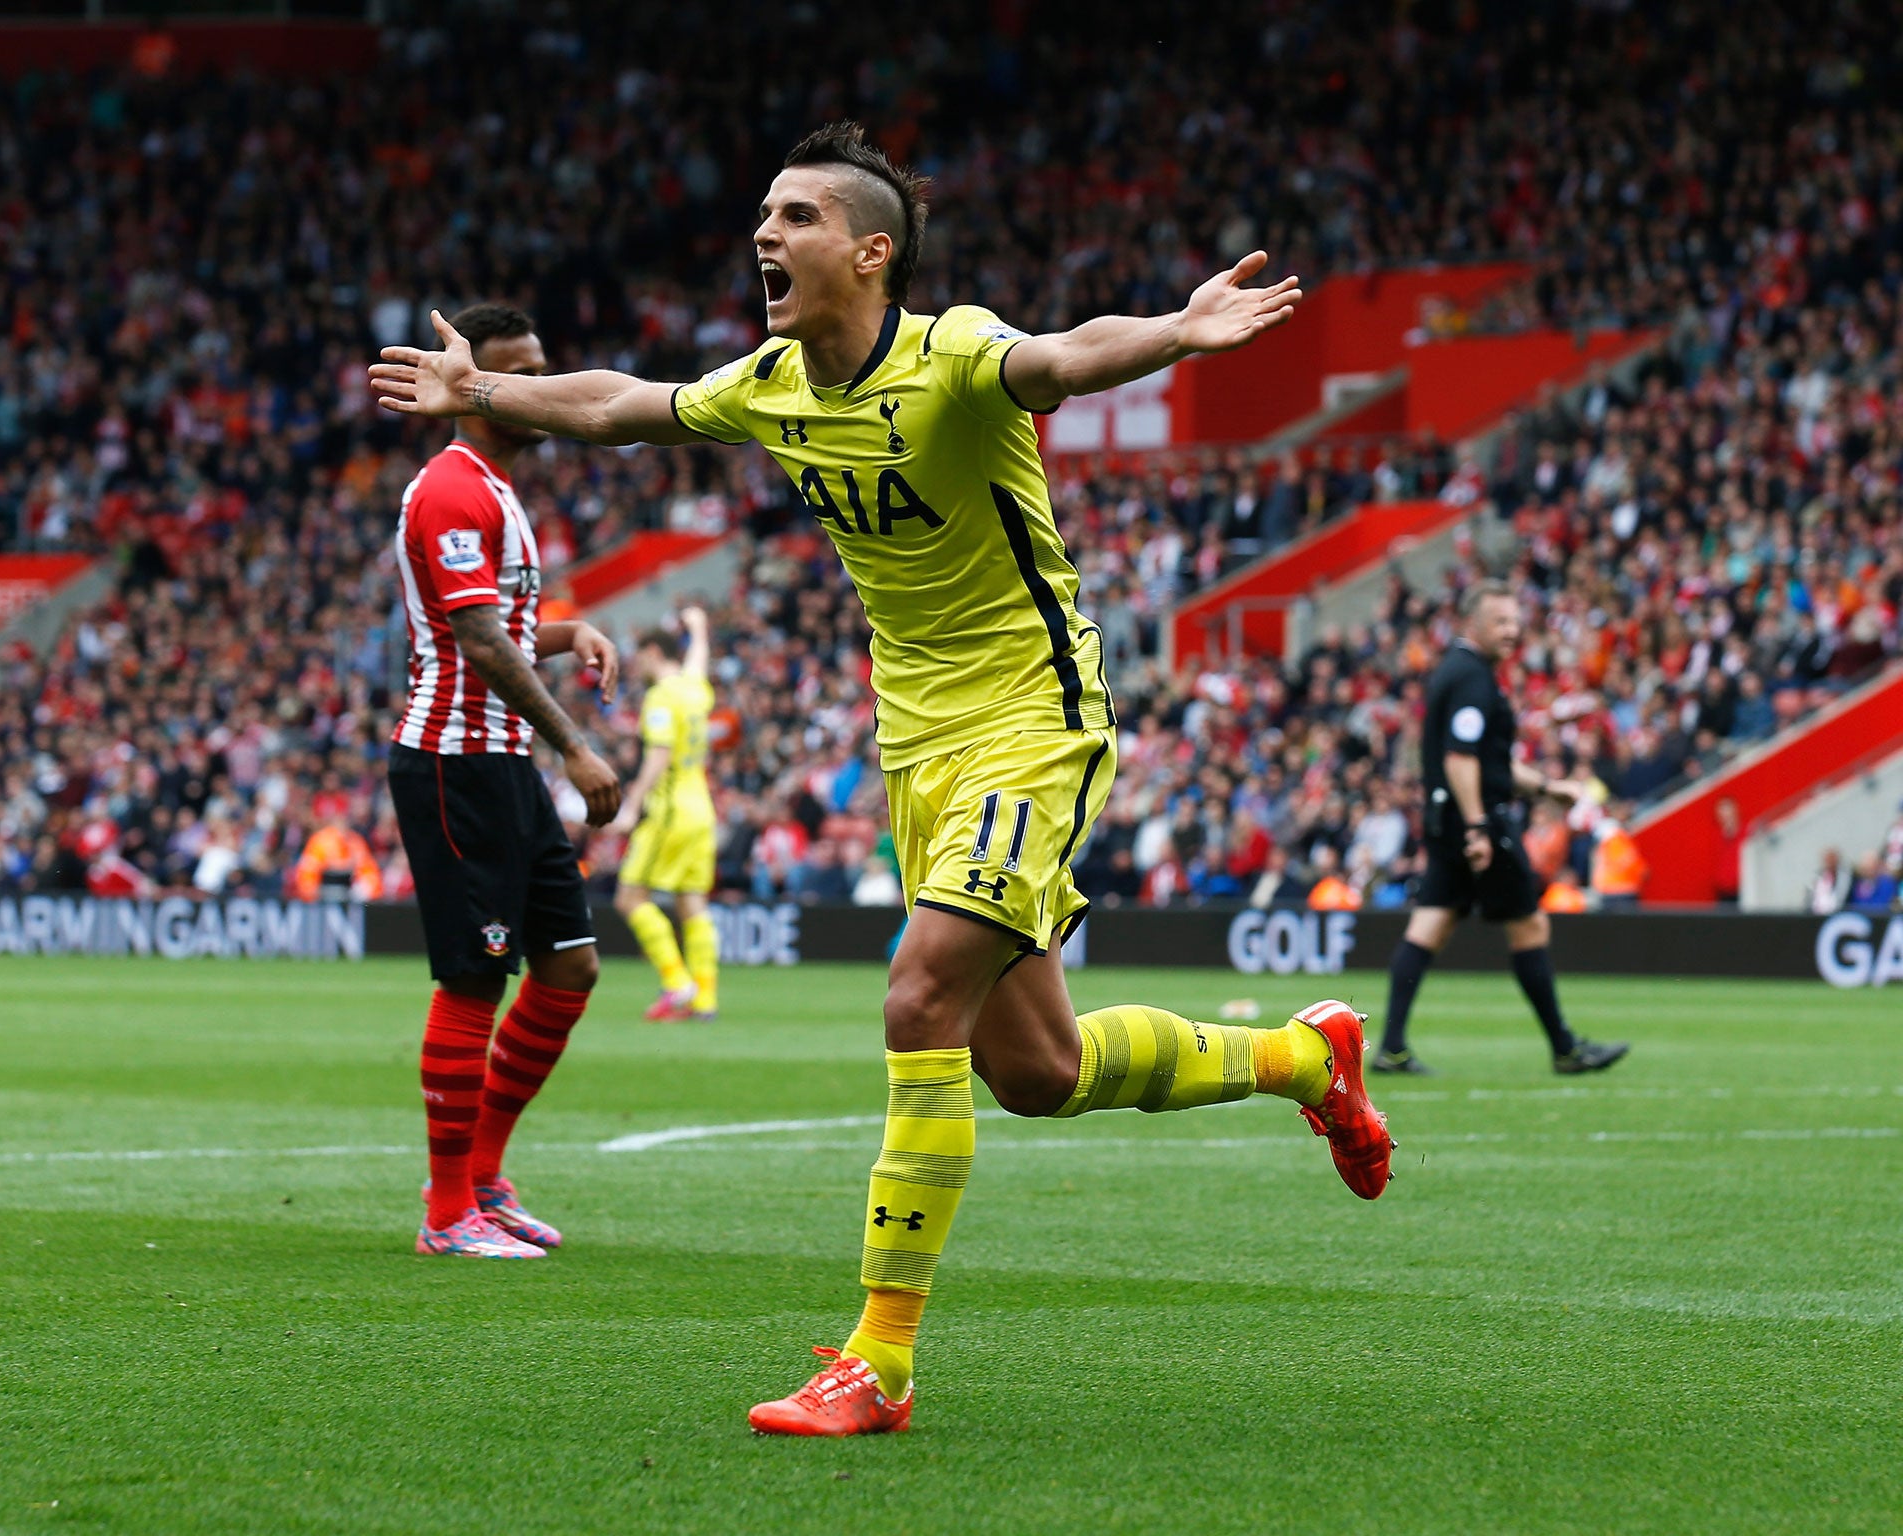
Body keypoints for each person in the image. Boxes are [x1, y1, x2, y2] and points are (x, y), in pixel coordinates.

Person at [372, 122, 1392, 1436]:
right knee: (1038, 1071)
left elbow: (1063, 357)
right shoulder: (774, 380)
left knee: (918, 1000)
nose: (765, 235)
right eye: (762, 214)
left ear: (871, 250)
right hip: (913, 746)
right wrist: (489, 396)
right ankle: (1309, 1059)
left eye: (793, 216)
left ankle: (881, 1361)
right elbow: (625, 406)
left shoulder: (953, 352)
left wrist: (1178, 334)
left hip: (1033, 718)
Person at [384, 302, 625, 1260]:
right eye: (515, 371)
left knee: (570, 967)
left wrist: (570, 633)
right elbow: (477, 641)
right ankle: (448, 1214)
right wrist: (574, 743)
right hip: (454, 763)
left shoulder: (499, 484)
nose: (534, 385)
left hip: (501, 763)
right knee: (476, 978)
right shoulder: (450, 489)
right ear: (469, 382)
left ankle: (486, 1177)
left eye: (539, 366)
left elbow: (503, 625)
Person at [1371, 581, 1629, 1078]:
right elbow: (1461, 759)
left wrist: (1546, 788)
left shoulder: (1459, 670)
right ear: (1473, 624)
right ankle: (1565, 1049)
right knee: (1530, 925)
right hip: (1478, 820)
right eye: (1500, 622)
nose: (1512, 631)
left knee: (1430, 924)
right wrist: (1478, 828)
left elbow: (1489, 762)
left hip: (1447, 818)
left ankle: (1392, 1048)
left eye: (1515, 621)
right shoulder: (1472, 679)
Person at [612, 606, 721, 1021]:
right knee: (692, 902)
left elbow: (658, 757)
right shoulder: (694, 690)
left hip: (671, 811)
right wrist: (698, 628)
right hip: (702, 810)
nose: (637, 664)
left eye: (640, 655)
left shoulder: (661, 697)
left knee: (629, 896)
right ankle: (705, 1000)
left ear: (654, 651)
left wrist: (631, 806)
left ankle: (677, 984)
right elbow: (697, 662)